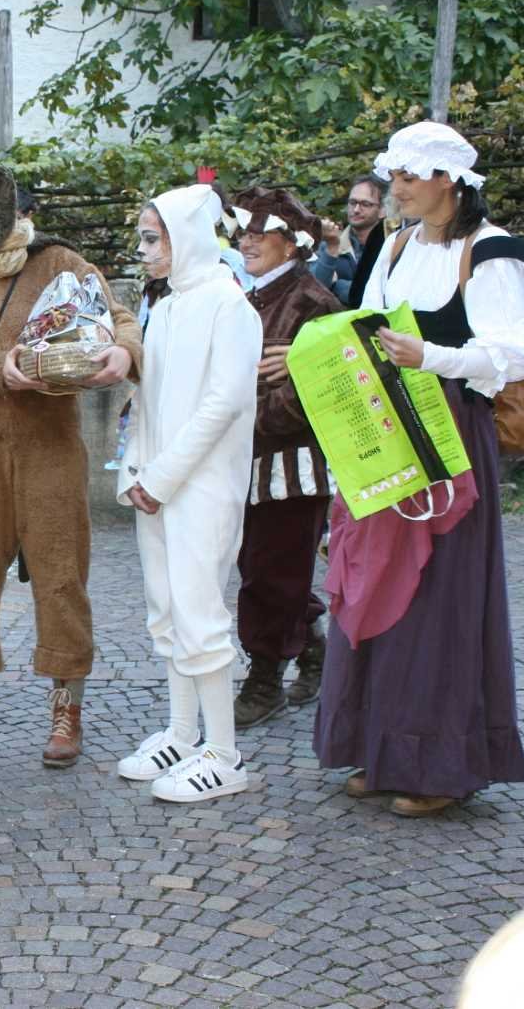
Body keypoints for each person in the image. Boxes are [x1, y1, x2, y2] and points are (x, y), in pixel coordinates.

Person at [314, 121, 524, 817]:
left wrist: (430, 356)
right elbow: (364, 326)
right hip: (386, 425)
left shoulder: (492, 252)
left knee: (440, 593)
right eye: (394, 176)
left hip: (450, 436)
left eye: (409, 177)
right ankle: (382, 749)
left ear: (449, 180)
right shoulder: (397, 244)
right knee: (379, 581)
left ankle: (439, 763)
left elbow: (510, 357)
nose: (396, 189)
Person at [0, 157, 141, 768]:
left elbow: (118, 316)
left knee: (62, 579)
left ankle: (68, 708)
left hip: (50, 449)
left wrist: (124, 351)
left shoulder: (58, 263)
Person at [115, 183, 262, 803]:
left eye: (154, 239)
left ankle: (224, 754)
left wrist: (161, 477)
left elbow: (224, 403)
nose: (144, 250)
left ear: (189, 238)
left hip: (202, 487)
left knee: (200, 612)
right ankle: (181, 732)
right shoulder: (169, 305)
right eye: (144, 238)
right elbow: (146, 400)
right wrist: (134, 471)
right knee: (168, 608)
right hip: (158, 484)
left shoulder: (230, 306)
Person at [227, 187, 343, 728]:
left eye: (260, 233)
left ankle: (265, 678)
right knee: (261, 567)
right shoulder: (244, 297)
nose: (247, 242)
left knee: (271, 574)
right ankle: (313, 646)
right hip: (243, 460)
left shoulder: (313, 302)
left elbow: (317, 392)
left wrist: (240, 417)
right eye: (244, 233)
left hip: (292, 468)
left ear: (291, 244)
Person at [311, 174, 387, 304]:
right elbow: (314, 290)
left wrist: (337, 286)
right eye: (352, 203)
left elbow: (387, 293)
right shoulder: (328, 244)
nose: (356, 210)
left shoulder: (392, 244)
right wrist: (332, 247)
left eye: (365, 204)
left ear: (383, 210)